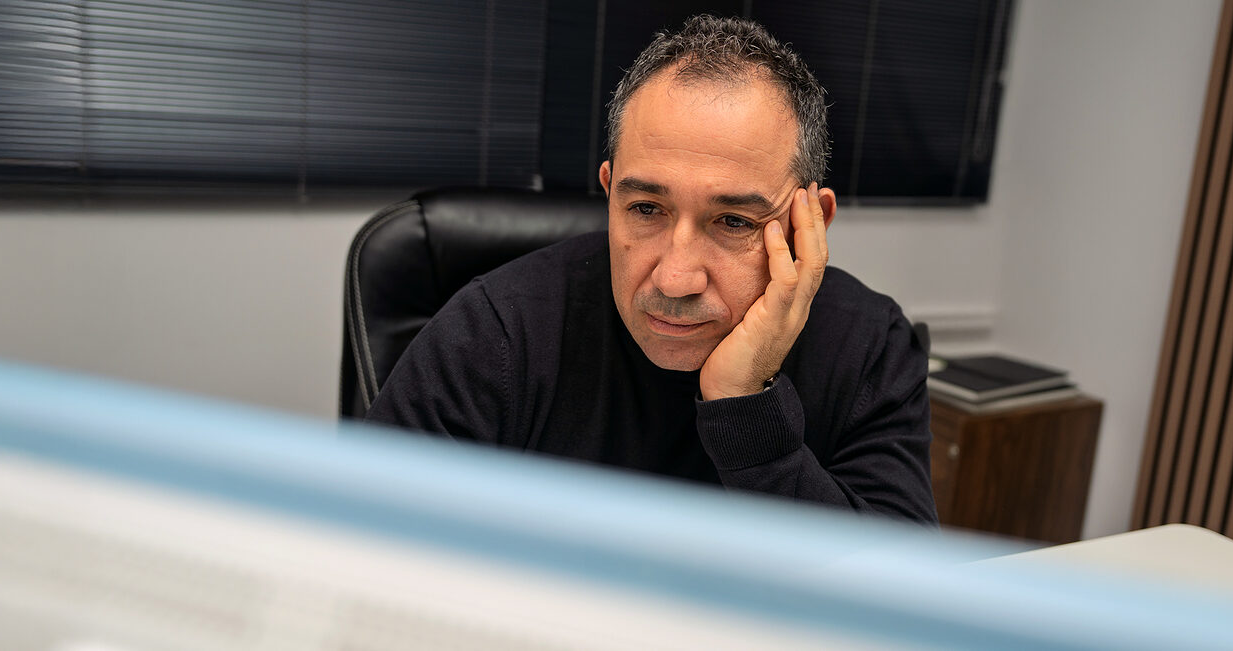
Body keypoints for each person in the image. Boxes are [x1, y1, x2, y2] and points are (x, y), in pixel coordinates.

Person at [367, 15, 936, 525]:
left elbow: (903, 592)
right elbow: (355, 554)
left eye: (733, 221)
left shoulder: (869, 345)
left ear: (809, 222)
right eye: (645, 209)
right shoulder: (493, 332)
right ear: (609, 191)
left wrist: (745, 405)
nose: (674, 279)